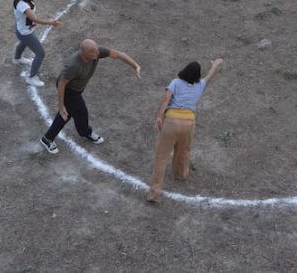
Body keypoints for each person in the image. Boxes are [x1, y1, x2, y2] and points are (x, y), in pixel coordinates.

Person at [40, 39, 142, 154]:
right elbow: (61, 83)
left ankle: (48, 138)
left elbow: (118, 54)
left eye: (97, 50)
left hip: (77, 89)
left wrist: (135, 66)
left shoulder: (96, 52)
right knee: (80, 111)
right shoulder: (74, 65)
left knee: (67, 114)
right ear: (85, 53)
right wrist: (61, 105)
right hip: (69, 90)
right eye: (94, 52)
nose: (97, 54)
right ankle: (85, 132)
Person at [146, 58, 223, 203]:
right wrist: (214, 65)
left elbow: (166, 100)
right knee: (183, 150)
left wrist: (159, 117)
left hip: (171, 121)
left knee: (161, 157)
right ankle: (181, 174)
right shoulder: (200, 85)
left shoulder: (175, 82)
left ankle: (154, 193)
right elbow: (210, 76)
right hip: (189, 123)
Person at [13, 0, 62, 87]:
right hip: (25, 33)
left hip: (22, 30)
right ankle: (31, 78)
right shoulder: (23, 5)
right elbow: (35, 19)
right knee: (40, 53)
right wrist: (51, 22)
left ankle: (17, 58)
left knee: (23, 43)